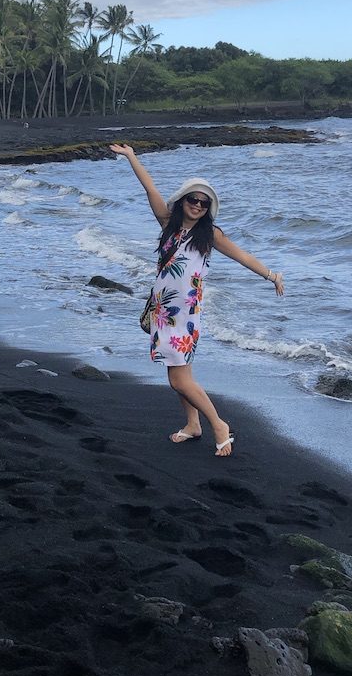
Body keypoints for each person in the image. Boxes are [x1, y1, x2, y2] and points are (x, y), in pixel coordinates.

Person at [110, 144, 284, 457]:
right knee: (178, 374)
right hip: (163, 310)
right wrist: (132, 157)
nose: (198, 206)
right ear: (183, 201)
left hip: (186, 314)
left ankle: (218, 424)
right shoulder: (167, 224)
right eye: (194, 199)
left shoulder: (210, 235)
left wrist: (272, 276)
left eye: (204, 203)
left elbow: (241, 255)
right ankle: (193, 424)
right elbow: (149, 186)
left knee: (179, 379)